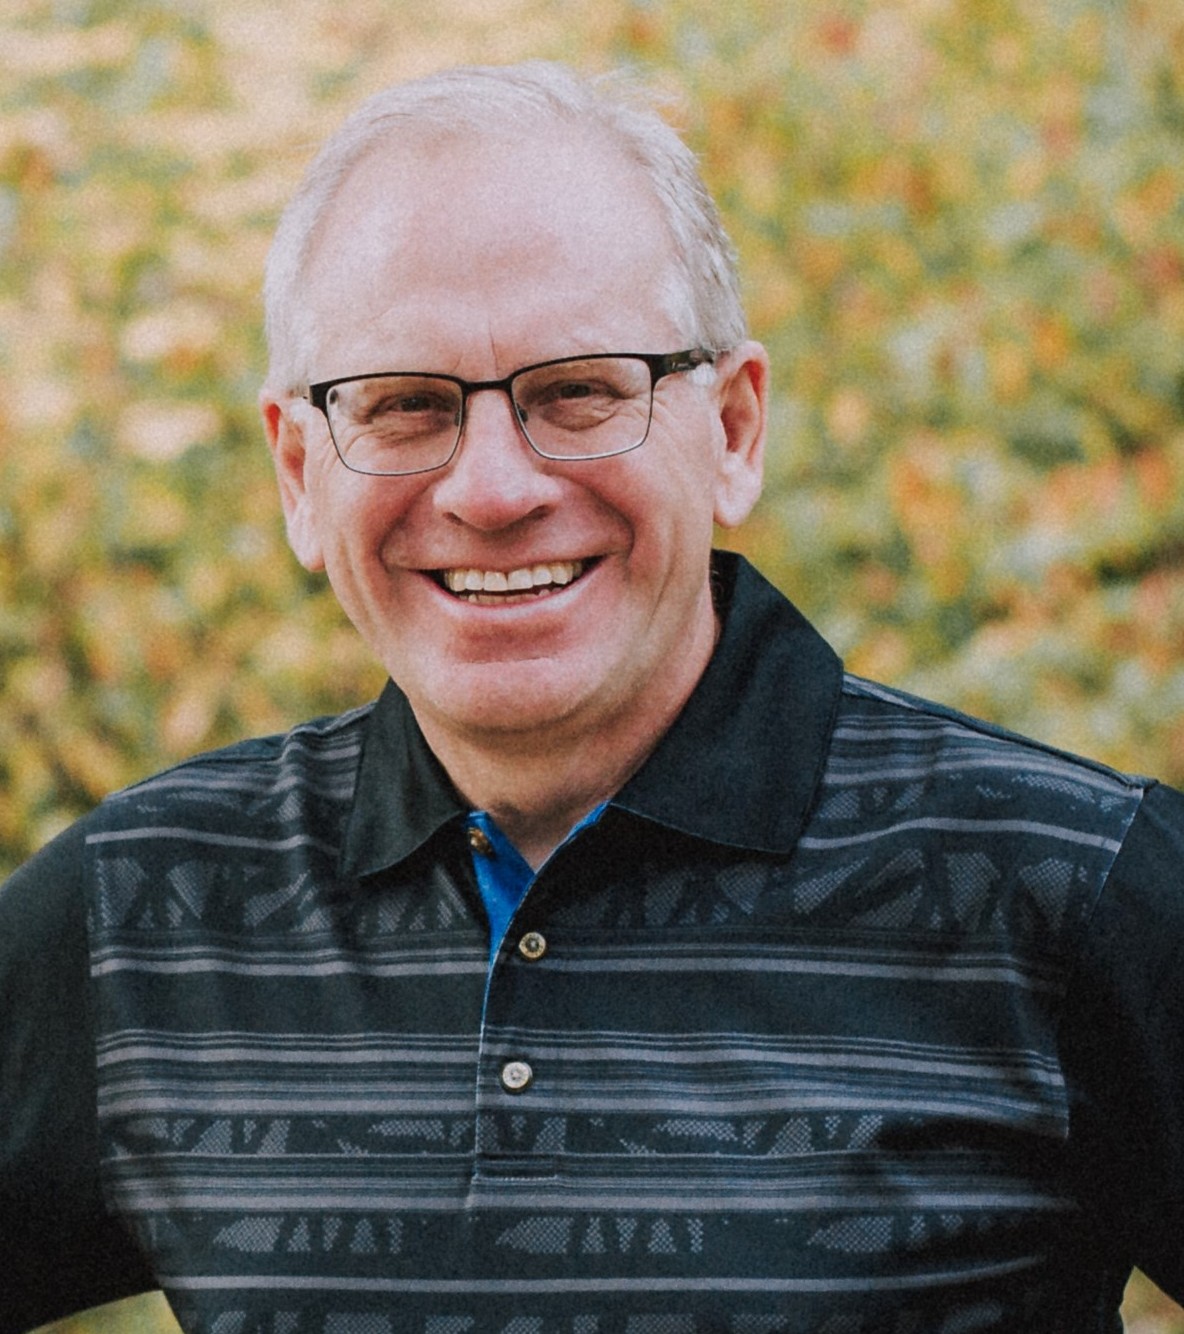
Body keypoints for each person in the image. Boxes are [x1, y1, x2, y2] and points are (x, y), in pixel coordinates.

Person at [1, 60, 1182, 1334]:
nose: (491, 488)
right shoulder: (146, 912)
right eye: (403, 405)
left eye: (577, 391)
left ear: (732, 429)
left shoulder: (1074, 881)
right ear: (298, 470)